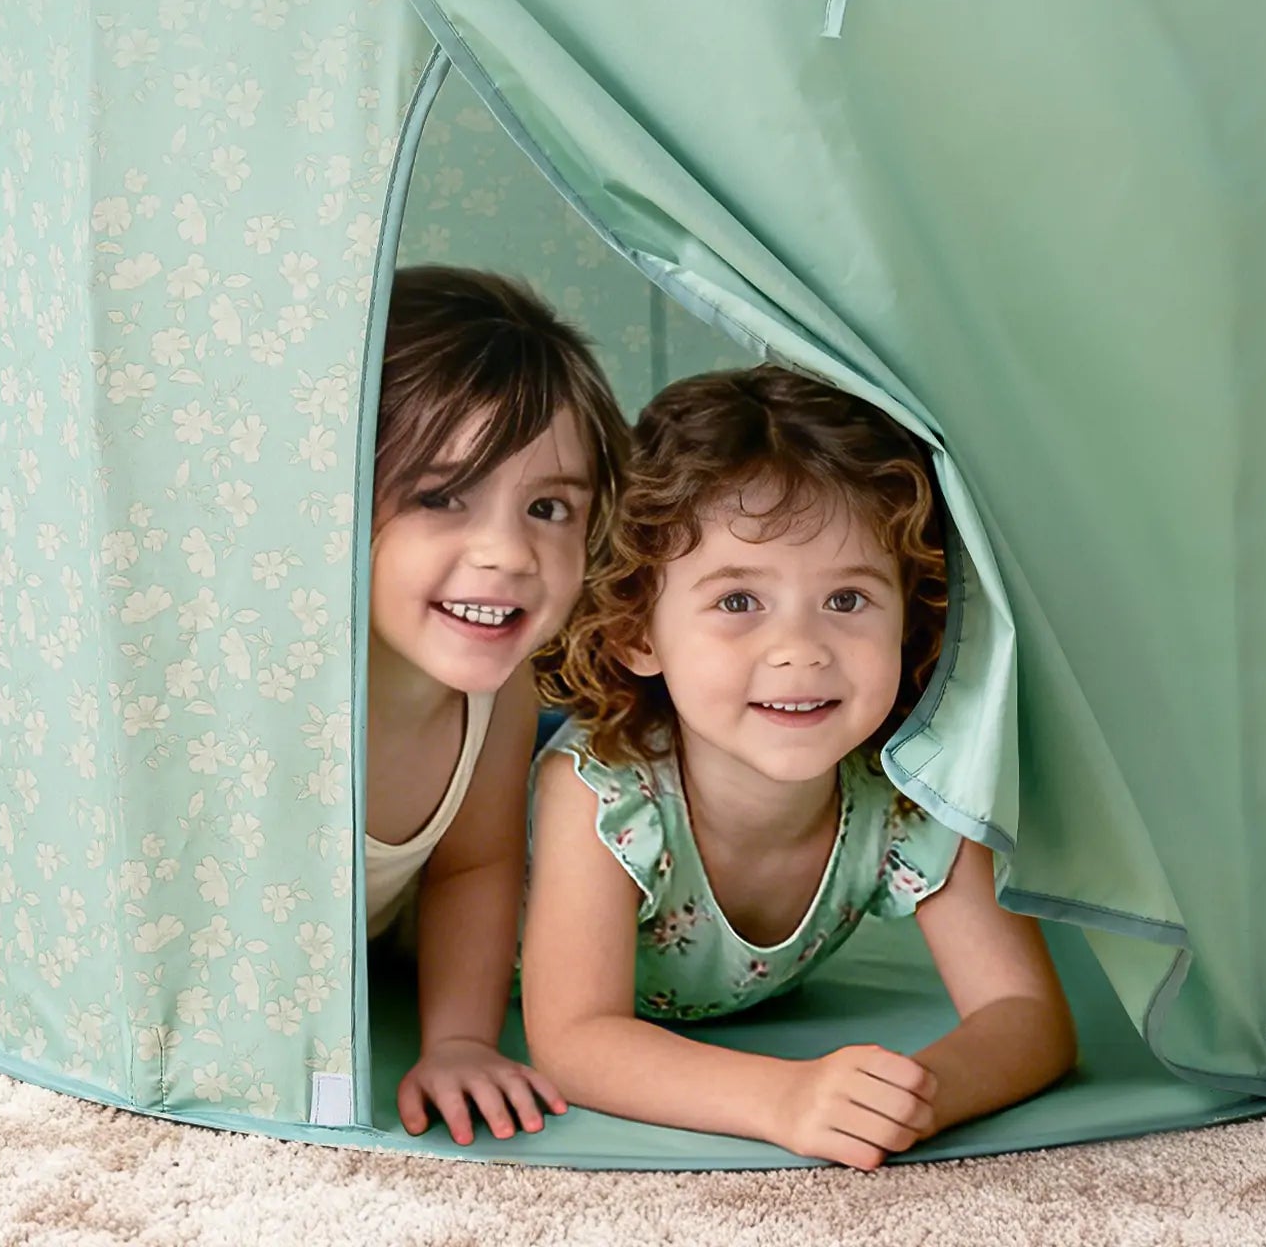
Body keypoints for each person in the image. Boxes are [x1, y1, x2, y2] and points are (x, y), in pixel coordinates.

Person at [523, 366, 1075, 1169]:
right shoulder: (600, 790)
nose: (801, 649)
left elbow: (1027, 1013)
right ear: (638, 631)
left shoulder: (907, 793)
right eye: (739, 601)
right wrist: (780, 1098)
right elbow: (575, 1037)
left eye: (847, 600)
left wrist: (899, 1100)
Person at [366, 265, 627, 1146]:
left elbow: (472, 870)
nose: (508, 553)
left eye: (549, 507)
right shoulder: (280, 691)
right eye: (442, 496)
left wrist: (460, 1041)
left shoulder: (499, 695)